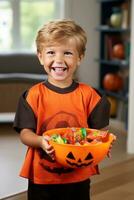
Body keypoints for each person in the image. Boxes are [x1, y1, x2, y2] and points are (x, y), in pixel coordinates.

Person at [13, 19, 110, 200]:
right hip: (42, 176)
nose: (59, 60)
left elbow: (99, 132)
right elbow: (25, 133)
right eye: (51, 52)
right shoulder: (32, 96)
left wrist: (103, 143)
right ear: (41, 56)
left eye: (67, 53)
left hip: (77, 175)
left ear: (79, 58)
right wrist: (41, 141)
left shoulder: (91, 96)